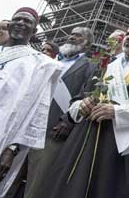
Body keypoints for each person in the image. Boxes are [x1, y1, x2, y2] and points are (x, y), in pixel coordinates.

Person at [41, 0, 129, 198]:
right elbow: (82, 96)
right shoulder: (107, 66)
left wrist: (116, 112)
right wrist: (79, 107)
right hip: (86, 134)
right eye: (127, 34)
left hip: (120, 143)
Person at [0, 7, 64, 198]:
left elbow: (38, 111)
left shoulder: (41, 64)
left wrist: (13, 149)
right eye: (18, 19)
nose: (21, 23)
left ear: (35, 31)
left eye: (27, 21)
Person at [24, 28, 98, 198]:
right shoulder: (47, 60)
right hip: (25, 124)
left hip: (52, 131)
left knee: (35, 185)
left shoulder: (91, 67)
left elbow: (86, 95)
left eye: (78, 35)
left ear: (87, 43)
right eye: (72, 33)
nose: (71, 36)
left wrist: (68, 121)